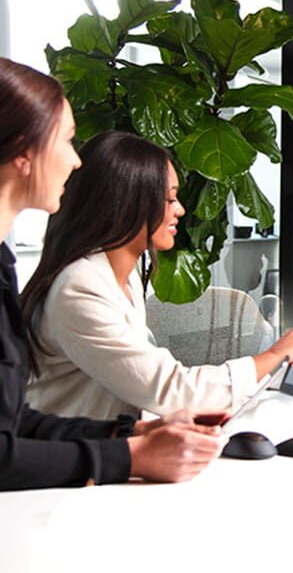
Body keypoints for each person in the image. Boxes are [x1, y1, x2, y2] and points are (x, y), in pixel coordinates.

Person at [0, 57, 223, 487]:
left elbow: (12, 424)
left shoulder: (5, 269)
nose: (76, 162)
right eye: (65, 141)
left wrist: (126, 434)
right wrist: (127, 457)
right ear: (25, 151)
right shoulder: (78, 284)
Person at [21, 131, 293, 420]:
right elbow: (167, 388)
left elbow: (147, 382)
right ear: (127, 202)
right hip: (76, 464)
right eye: (169, 199)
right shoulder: (80, 286)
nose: (180, 209)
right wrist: (273, 356)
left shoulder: (125, 280)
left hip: (109, 451)